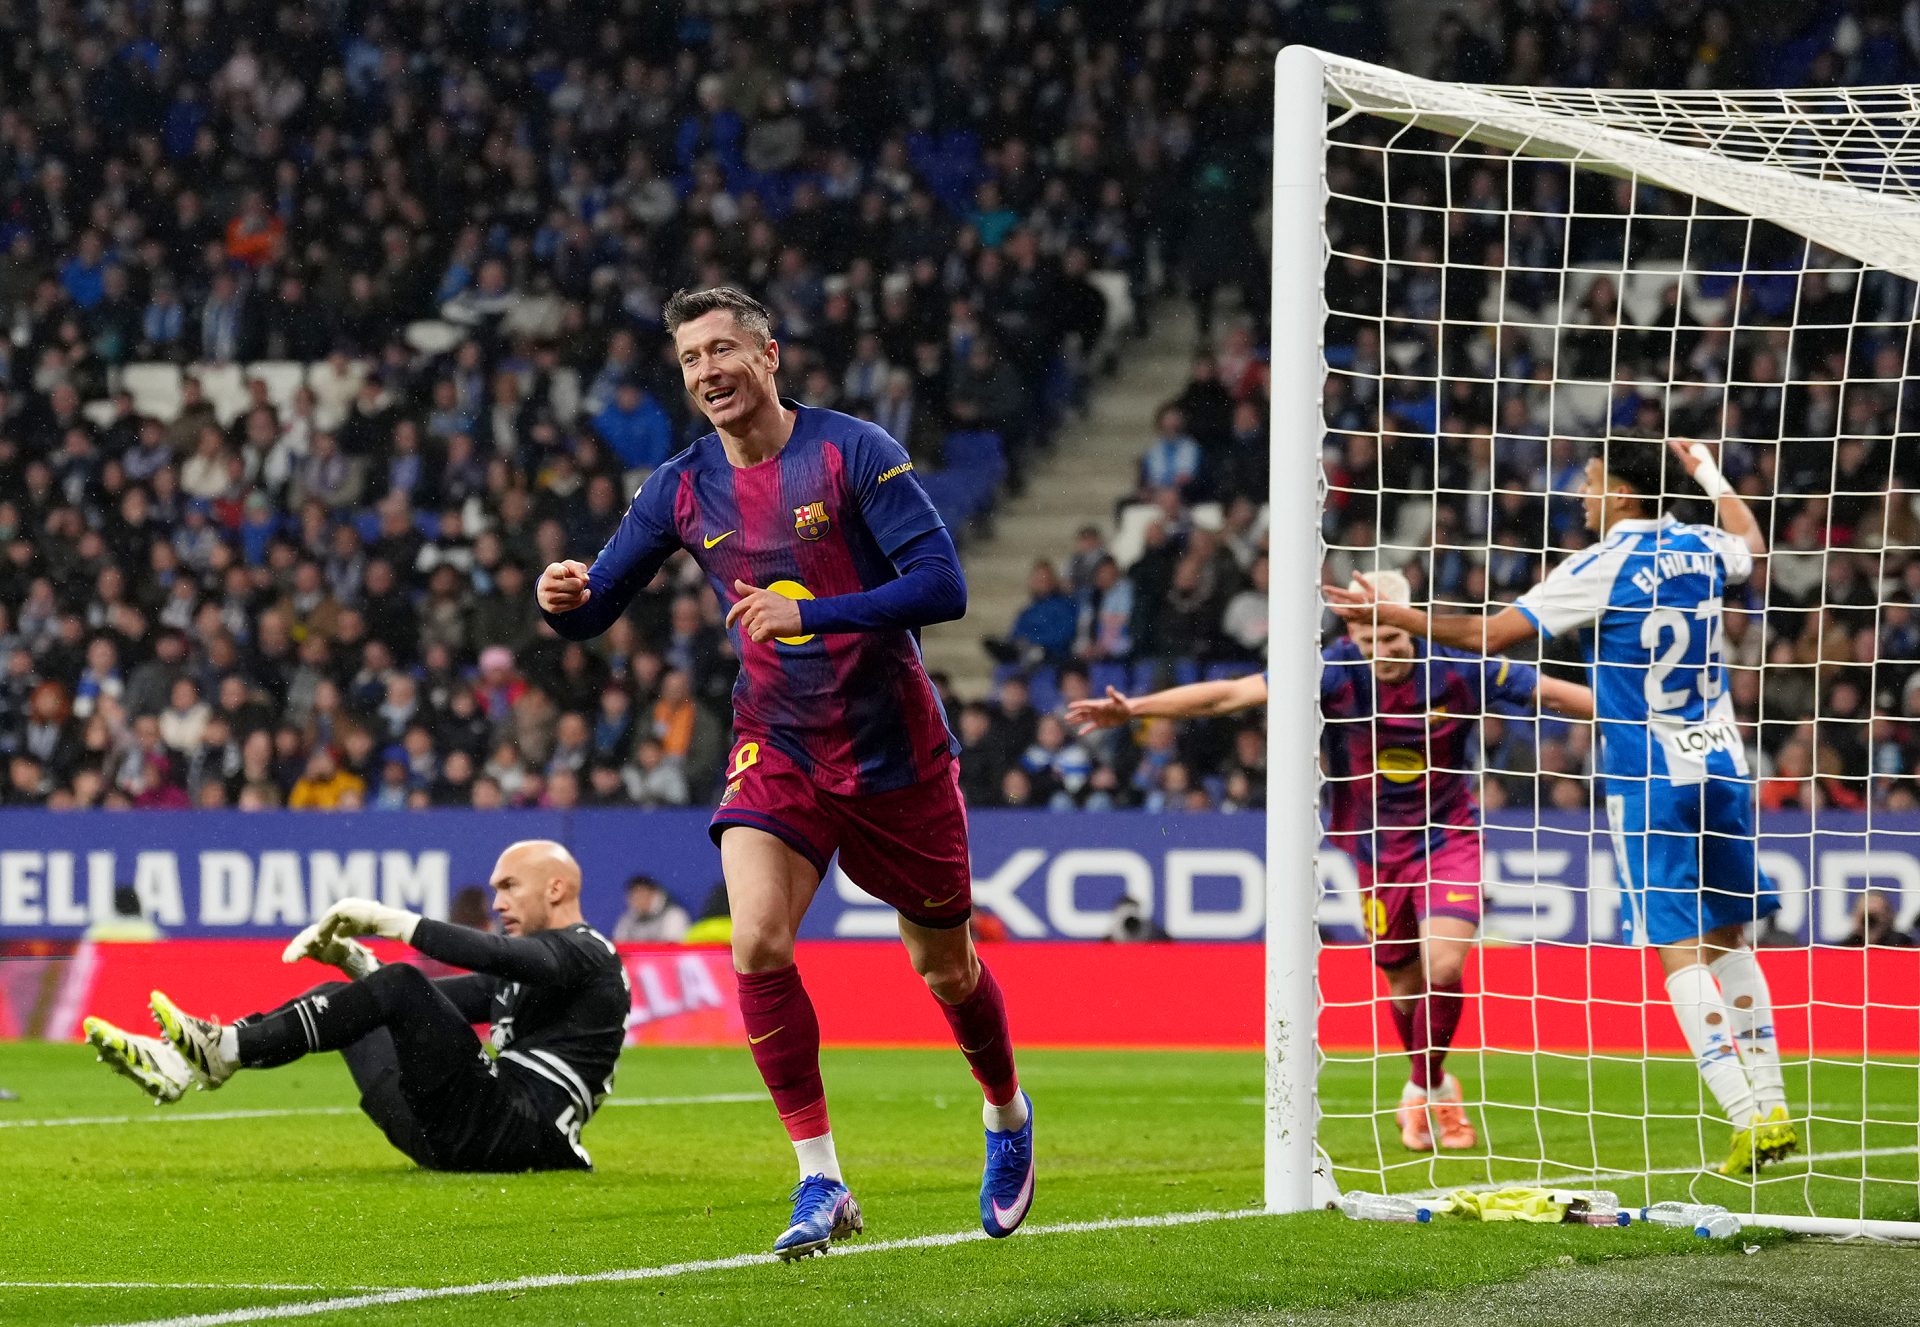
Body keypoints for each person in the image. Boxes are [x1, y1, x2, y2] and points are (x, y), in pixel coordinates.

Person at [537, 287, 1032, 1258]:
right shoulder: (679, 487)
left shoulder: (853, 451)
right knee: (757, 941)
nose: (708, 370)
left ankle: (1007, 1114)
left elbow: (944, 587)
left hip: (894, 750)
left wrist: (810, 614)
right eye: (690, 359)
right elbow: (597, 608)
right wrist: (564, 601)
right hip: (780, 742)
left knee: (945, 965)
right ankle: (820, 1179)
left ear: (770, 355)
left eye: (724, 349)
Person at [1326, 438, 1797, 1176]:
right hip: (1726, 766)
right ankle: (1772, 1104)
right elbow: (1752, 542)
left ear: (1620, 492)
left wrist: (1401, 617)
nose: (1580, 494)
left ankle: (1745, 1117)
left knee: (1679, 951)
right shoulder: (1704, 545)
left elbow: (1485, 635)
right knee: (1731, 939)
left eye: (1589, 480)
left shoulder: (1599, 566)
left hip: (1651, 778)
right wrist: (1706, 467)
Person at [1071, 570, 1593, 1153]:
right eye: (1373, 644)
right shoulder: (1336, 669)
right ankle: (1436, 1085)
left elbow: (1552, 692)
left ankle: (1421, 1087)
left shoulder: (1457, 665)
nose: (1386, 654)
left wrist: (1650, 723)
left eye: (1394, 640)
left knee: (1443, 964)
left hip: (1450, 835)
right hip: (1374, 847)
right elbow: (1232, 694)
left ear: (1410, 621)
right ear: (1353, 634)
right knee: (1402, 982)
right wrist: (1137, 707)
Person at [83, 840, 629, 1172]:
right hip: (452, 1138)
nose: (496, 902)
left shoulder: (591, 954)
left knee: (400, 984)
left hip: (522, 1134)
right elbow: (427, 1010)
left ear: (556, 889)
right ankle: (186, 1062)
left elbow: (487, 957)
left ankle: (220, 1052)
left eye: (509, 886)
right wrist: (356, 964)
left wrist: (387, 920)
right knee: (343, 1000)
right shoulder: (526, 969)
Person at [613, 874, 692, 942]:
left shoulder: (674, 916)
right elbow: (619, 946)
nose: (639, 900)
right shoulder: (626, 921)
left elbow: (674, 949)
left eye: (642, 894)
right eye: (634, 896)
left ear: (654, 894)